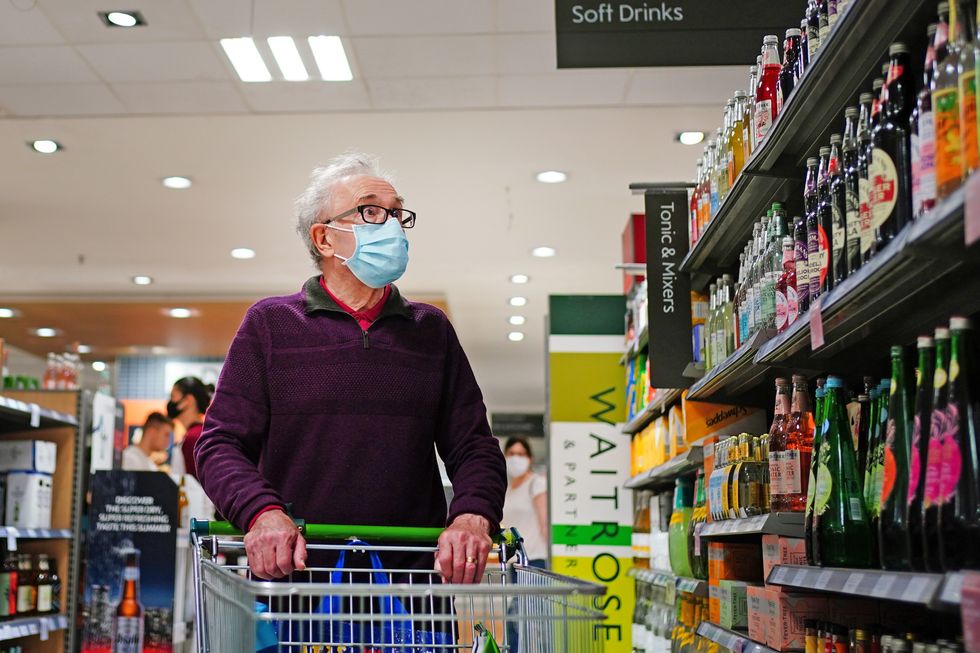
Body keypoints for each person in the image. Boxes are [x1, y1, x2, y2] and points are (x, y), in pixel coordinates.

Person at [195, 152, 507, 585]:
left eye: (398, 213)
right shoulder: (270, 326)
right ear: (324, 239)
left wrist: (473, 514)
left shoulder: (430, 331)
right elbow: (220, 444)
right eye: (371, 211)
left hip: (410, 590)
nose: (393, 225)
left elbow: (473, 446)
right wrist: (262, 513)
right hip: (299, 581)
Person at [501, 437, 548, 568]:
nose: (516, 458)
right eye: (511, 453)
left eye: (521, 454)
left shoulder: (537, 483)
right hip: (513, 560)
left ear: (530, 458)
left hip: (535, 560)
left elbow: (545, 524)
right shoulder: (508, 490)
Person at [168, 376, 212, 480]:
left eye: (173, 397)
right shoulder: (199, 433)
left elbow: (194, 484)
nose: (170, 402)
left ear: (188, 400)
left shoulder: (193, 437)